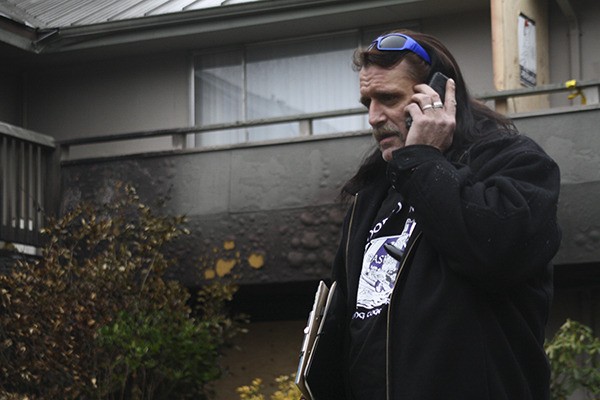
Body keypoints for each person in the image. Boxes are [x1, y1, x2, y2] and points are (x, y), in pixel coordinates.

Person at [316, 29, 561, 400]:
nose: (373, 116)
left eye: (388, 98)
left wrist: (423, 161)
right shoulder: (371, 195)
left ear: (438, 95)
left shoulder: (515, 163)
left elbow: (494, 253)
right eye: (367, 101)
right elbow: (343, 325)